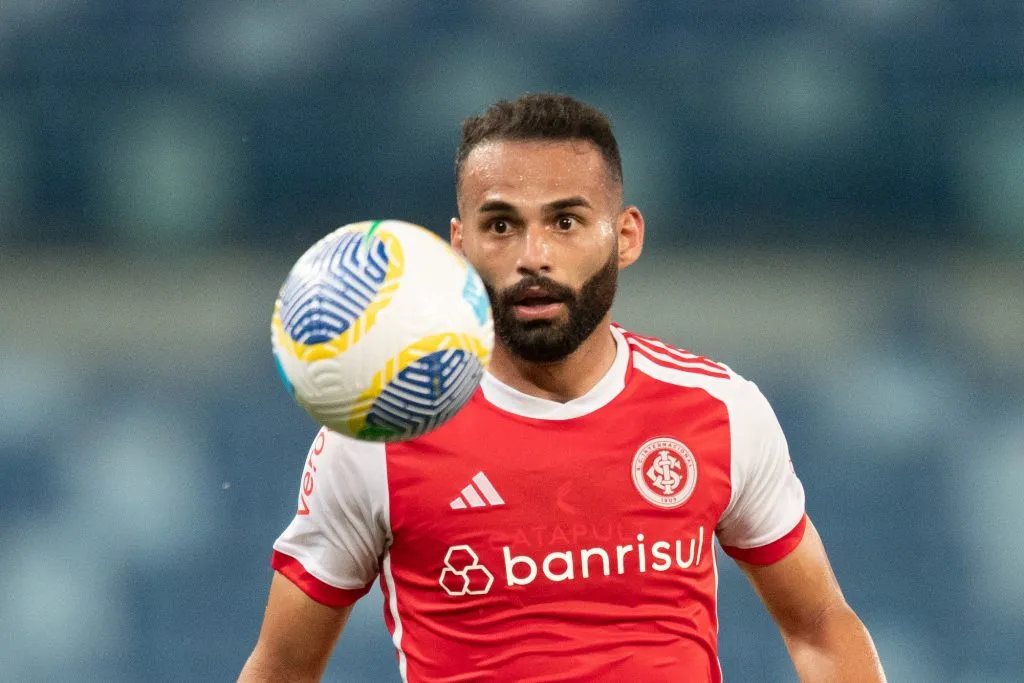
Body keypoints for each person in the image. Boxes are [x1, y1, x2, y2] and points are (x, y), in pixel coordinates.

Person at [238, 93, 887, 682]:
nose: (533, 255)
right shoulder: (379, 434)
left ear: (625, 236)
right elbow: (283, 667)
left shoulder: (718, 411)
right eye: (501, 225)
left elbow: (822, 628)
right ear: (457, 246)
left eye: (566, 222)